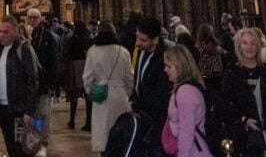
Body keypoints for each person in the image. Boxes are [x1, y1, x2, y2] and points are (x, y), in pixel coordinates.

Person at [221, 27, 266, 157]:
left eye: (253, 43)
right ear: (239, 47)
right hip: (246, 139)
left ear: (258, 46)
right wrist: (243, 119)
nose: (249, 47)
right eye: (245, 43)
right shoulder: (232, 71)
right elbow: (226, 103)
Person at [0, 15, 40, 157]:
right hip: (5, 110)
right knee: (11, 148)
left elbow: (33, 80)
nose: (1, 35)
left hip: (20, 111)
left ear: (16, 31)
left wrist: (29, 111)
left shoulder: (24, 49)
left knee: (22, 149)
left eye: (6, 32)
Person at [82, 20, 133, 155]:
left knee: (104, 137)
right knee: (120, 135)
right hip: (121, 96)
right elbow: (130, 78)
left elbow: (87, 77)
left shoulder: (93, 51)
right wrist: (128, 94)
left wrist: (91, 92)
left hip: (102, 97)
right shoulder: (123, 51)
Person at [130, 16, 170, 157]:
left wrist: (138, 104)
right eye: (137, 38)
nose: (137, 43)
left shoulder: (164, 59)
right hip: (141, 118)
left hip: (157, 121)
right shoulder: (140, 52)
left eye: (143, 40)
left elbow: (162, 95)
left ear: (156, 40)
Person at [162, 45, 212, 157]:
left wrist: (182, 154)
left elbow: (186, 130)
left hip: (192, 151)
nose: (165, 70)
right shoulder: (190, 88)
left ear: (180, 67)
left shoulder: (185, 92)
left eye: (169, 66)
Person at [25, 9, 59, 144]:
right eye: (30, 18)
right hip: (27, 85)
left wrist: (51, 84)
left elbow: (54, 61)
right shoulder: (24, 36)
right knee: (29, 115)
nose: (33, 21)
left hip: (43, 83)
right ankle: (29, 141)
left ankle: (42, 141)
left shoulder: (48, 37)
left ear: (40, 19)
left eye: (35, 18)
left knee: (42, 114)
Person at [63, 19, 91, 130]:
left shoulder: (73, 39)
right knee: (88, 95)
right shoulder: (88, 39)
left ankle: (72, 120)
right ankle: (89, 121)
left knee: (74, 95)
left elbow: (67, 53)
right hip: (87, 66)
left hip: (75, 67)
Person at [192, 24, 226, 94]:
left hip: (202, 82)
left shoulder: (197, 50)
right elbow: (224, 63)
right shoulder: (218, 48)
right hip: (217, 81)